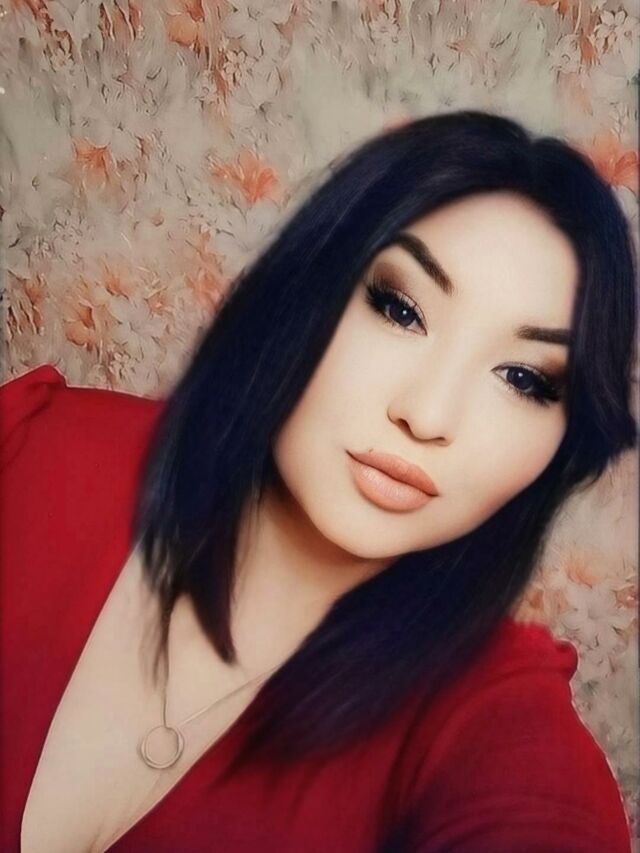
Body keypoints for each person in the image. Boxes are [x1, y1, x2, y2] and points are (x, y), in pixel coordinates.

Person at [2, 110, 636, 852]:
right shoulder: (34, 445)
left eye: (523, 378)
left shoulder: (488, 720)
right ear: (304, 287)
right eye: (400, 309)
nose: (427, 414)